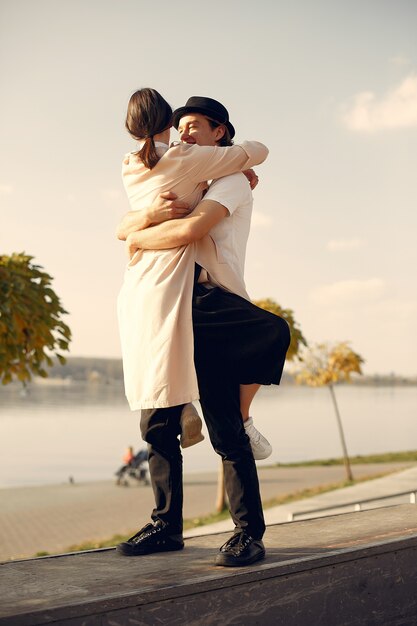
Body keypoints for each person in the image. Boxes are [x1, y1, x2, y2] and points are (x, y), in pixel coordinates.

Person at [117, 94, 290, 566]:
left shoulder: (231, 181)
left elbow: (189, 231)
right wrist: (139, 225)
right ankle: (165, 527)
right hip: (166, 302)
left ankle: (248, 533)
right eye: (181, 126)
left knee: (225, 426)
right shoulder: (189, 173)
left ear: (220, 134)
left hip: (209, 304)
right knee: (157, 422)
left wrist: (137, 236)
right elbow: (125, 223)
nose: (185, 133)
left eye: (196, 126)